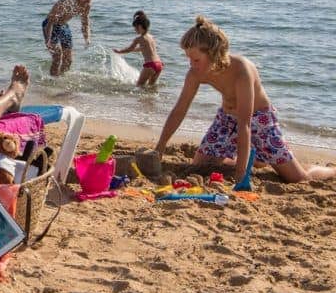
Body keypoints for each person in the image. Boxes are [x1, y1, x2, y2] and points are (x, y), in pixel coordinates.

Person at [154, 16, 335, 183]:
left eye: (196, 60)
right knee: (201, 167)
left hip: (259, 121)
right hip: (226, 120)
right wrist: (160, 147)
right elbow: (180, 110)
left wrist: (241, 174)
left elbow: (245, 124)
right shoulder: (196, 73)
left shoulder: (242, 71)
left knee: (299, 179)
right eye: (189, 59)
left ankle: (329, 170)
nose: (191, 65)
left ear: (214, 54)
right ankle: (253, 158)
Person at [43, 0, 94, 76]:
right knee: (57, 56)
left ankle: (60, 78)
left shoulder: (86, 6)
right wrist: (48, 40)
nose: (88, 1)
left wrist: (87, 39)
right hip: (50, 25)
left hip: (63, 26)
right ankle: (52, 81)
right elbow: (50, 22)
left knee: (68, 60)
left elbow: (85, 23)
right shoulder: (65, 2)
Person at [113, 10, 163, 87]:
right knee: (151, 87)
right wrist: (133, 50)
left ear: (139, 27)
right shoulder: (151, 37)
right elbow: (144, 48)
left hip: (150, 65)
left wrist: (119, 51)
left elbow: (129, 49)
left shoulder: (139, 38)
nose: (134, 30)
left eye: (135, 28)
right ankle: (151, 99)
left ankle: (143, 99)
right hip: (159, 64)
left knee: (139, 85)